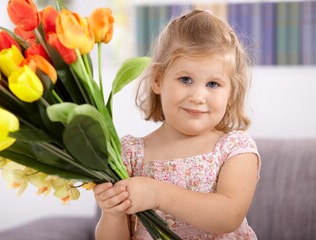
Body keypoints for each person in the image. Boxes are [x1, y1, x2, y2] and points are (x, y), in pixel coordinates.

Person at [93, 9, 260, 240]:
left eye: (213, 84)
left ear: (231, 93)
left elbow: (228, 216)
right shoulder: (130, 154)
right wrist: (111, 212)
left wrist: (158, 194)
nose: (198, 96)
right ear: (158, 79)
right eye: (185, 80)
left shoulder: (235, 148)